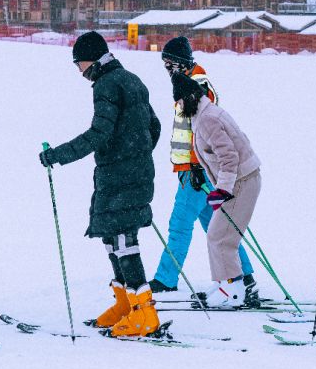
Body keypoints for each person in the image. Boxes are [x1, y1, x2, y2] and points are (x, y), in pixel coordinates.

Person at [40, 32, 162, 337]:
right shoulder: (132, 79)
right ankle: (126, 304)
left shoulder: (107, 85)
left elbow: (99, 134)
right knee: (111, 234)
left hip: (121, 174)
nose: (79, 72)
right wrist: (138, 155)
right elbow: (154, 126)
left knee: (122, 239)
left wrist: (58, 155)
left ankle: (144, 313)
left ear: (90, 59)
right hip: (129, 172)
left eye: (78, 65)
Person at [149, 37, 257, 303]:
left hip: (196, 171)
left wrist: (195, 167)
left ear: (184, 62)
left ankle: (166, 278)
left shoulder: (197, 87)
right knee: (219, 226)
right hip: (195, 169)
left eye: (171, 64)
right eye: (165, 65)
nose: (168, 70)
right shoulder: (187, 83)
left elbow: (205, 130)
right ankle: (245, 276)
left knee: (180, 225)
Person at [170, 72, 262, 308]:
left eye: (180, 102)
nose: (179, 107)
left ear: (190, 97)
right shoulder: (205, 114)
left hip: (242, 181)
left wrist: (222, 189)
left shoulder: (208, 119)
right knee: (217, 233)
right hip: (239, 180)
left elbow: (229, 157)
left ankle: (232, 289)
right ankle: (225, 283)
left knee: (221, 236)